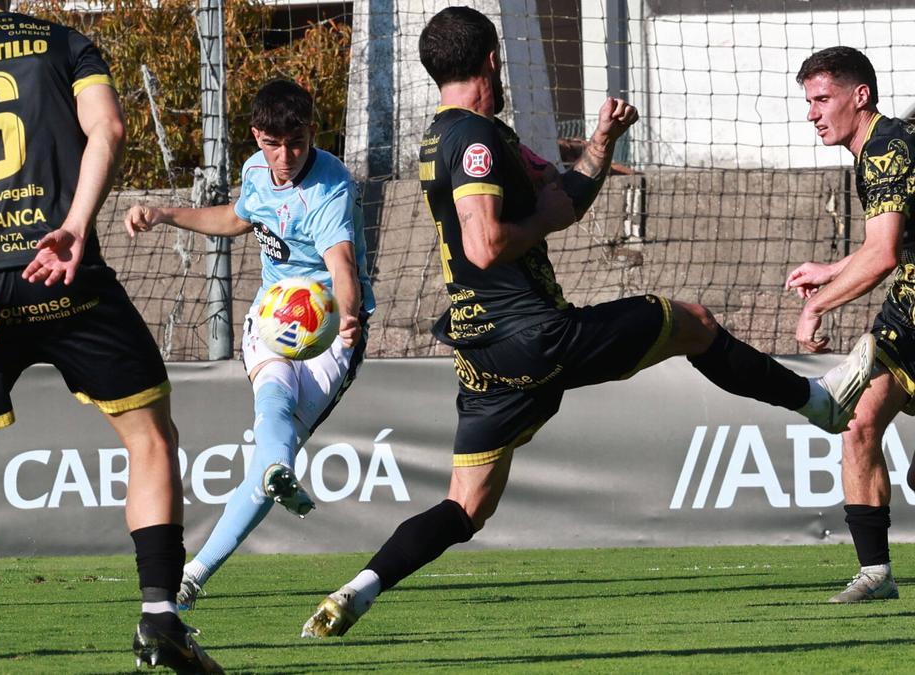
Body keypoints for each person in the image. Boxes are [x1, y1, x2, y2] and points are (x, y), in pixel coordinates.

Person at [301, 6, 876, 639]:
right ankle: (818, 403)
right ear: (492, 59)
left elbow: (562, 199)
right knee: (693, 323)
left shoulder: (446, 136)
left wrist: (601, 142)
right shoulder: (476, 141)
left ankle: (357, 590)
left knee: (466, 506)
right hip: (534, 335)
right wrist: (543, 218)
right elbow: (487, 245)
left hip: (483, 358)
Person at [0, 2, 220, 673]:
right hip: (65, 271)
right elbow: (109, 128)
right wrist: (76, 226)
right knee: (150, 439)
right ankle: (159, 617)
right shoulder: (64, 42)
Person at [124, 78, 375, 609]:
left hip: (330, 332)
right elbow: (239, 217)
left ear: (312, 132)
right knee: (272, 406)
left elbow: (342, 265)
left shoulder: (330, 187)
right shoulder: (256, 170)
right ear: (258, 136)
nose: (285, 157)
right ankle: (202, 565)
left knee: (267, 460)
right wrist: (166, 213)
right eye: (272, 144)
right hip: (272, 318)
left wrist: (349, 316)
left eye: (297, 144)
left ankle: (195, 572)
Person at [787, 46, 914, 603]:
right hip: (910, 309)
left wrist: (816, 306)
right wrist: (831, 270)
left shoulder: (886, 148)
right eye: (809, 101)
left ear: (860, 96)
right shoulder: (881, 147)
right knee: (858, 422)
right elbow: (888, 244)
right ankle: (876, 574)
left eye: (822, 99)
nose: (812, 113)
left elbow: (882, 256)